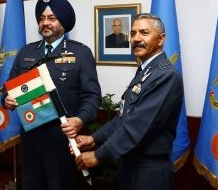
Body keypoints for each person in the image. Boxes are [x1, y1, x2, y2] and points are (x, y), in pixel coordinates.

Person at [2, 0, 101, 190]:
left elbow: (92, 97)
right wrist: (7, 100)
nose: (45, 23)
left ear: (63, 22)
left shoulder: (81, 53)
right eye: (41, 18)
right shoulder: (26, 52)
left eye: (51, 18)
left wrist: (80, 120)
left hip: (62, 139)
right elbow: (7, 89)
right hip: (30, 138)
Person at [74, 13, 184, 190]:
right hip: (130, 167)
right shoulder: (145, 72)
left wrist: (98, 155)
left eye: (144, 33)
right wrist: (94, 139)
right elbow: (123, 118)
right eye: (133, 34)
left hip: (149, 173)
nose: (136, 39)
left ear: (161, 39)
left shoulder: (165, 75)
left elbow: (137, 126)